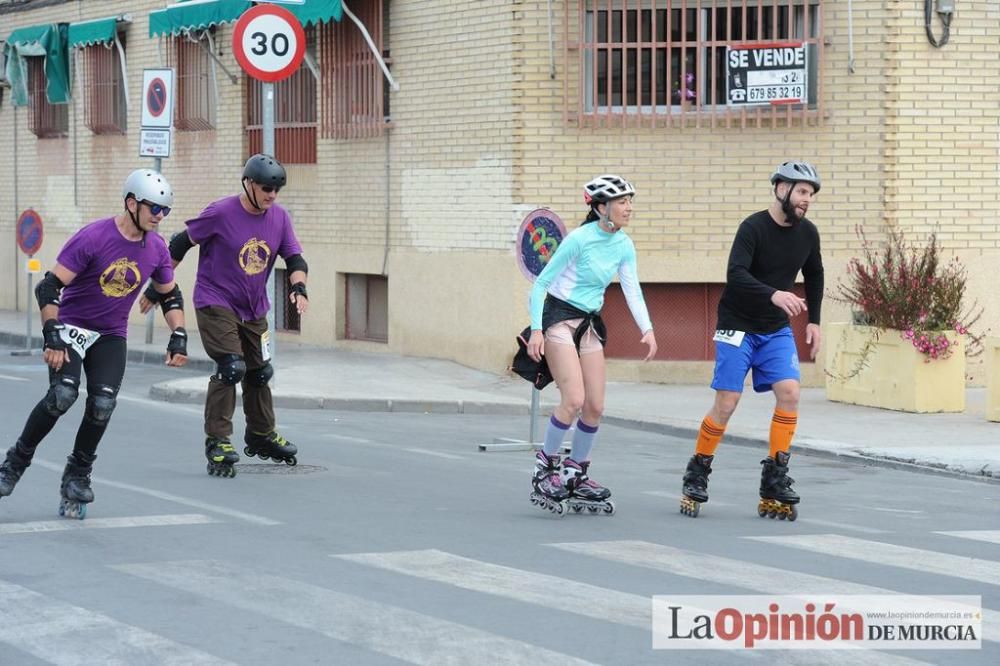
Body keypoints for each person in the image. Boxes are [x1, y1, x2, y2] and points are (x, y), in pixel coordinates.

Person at [0, 169, 188, 519]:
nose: (160, 216)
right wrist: (52, 332)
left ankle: (77, 476)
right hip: (70, 327)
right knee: (63, 396)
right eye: (154, 208)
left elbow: (170, 295)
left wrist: (178, 334)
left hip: (110, 335)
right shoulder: (94, 237)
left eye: (165, 210)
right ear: (132, 203)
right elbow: (49, 287)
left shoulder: (158, 249)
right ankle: (13, 464)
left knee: (103, 403)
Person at [679, 161, 824, 520]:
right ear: (781, 189)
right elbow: (736, 274)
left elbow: (816, 275)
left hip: (775, 329)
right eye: (802, 191)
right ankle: (698, 469)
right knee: (727, 401)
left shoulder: (808, 234)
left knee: (790, 393)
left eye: (811, 194)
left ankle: (775, 476)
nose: (807, 200)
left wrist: (815, 322)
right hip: (737, 325)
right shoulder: (753, 227)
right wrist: (774, 294)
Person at [150, 154, 308, 478]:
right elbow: (180, 243)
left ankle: (261, 434)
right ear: (249, 183)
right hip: (215, 300)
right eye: (266, 188)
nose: (272, 196)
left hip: (254, 307)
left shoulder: (279, 217)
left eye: (277, 190)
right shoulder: (220, 212)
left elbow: (294, 259)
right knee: (231, 366)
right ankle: (217, 440)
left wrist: (300, 289)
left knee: (260, 371)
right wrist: (158, 288)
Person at [526, 174, 657, 516]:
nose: (629, 208)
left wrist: (648, 328)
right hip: (558, 319)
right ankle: (545, 469)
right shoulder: (579, 240)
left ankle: (575, 472)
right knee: (574, 399)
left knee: (595, 406)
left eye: (630, 201)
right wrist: (537, 330)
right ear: (602, 207)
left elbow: (632, 289)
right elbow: (540, 285)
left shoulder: (624, 245)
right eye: (622, 202)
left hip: (588, 324)